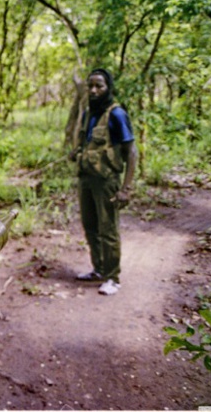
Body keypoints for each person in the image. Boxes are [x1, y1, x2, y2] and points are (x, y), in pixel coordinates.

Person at [70, 68, 137, 296]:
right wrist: (77, 153)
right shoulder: (90, 113)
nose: (94, 90)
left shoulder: (117, 114)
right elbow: (91, 144)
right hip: (86, 179)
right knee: (90, 226)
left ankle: (113, 277)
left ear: (108, 88)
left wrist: (126, 189)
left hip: (106, 181)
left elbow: (132, 152)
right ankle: (98, 269)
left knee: (108, 229)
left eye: (99, 86)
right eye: (90, 86)